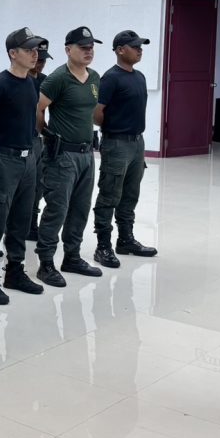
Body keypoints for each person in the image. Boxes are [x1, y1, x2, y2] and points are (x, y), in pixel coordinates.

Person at [0, 27, 49, 304]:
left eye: (36, 50)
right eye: (29, 50)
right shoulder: (1, 83)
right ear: (13, 53)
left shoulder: (30, 82)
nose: (34, 54)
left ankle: (15, 270)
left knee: (21, 219)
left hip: (27, 159)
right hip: (4, 160)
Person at [35, 26, 105, 286]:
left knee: (80, 208)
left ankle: (72, 256)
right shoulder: (58, 78)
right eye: (83, 47)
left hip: (87, 155)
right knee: (57, 209)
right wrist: (46, 133)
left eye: (91, 47)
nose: (89, 51)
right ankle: (45, 262)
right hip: (62, 155)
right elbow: (38, 108)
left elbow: (92, 112)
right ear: (68, 50)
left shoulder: (94, 77)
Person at [92, 30, 158, 269]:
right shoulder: (111, 78)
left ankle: (125, 239)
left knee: (130, 194)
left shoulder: (139, 77)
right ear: (120, 50)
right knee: (109, 194)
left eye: (141, 46)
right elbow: (97, 113)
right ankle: (103, 246)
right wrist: (112, 129)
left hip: (137, 143)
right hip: (116, 143)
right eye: (135, 46)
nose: (140, 50)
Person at [27, 40, 53, 241]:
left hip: (38, 139)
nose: (40, 64)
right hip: (21, 139)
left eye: (43, 60)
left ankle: (32, 223)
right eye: (38, 59)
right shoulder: (19, 79)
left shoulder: (45, 81)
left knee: (38, 185)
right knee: (22, 187)